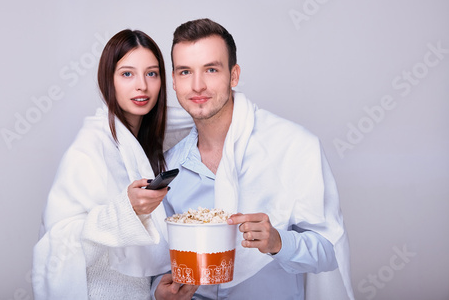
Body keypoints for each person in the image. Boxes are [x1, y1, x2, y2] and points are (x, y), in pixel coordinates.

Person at [151, 19, 355, 299]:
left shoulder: (294, 147)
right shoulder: (168, 168)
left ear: (234, 75)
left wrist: (277, 241)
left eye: (211, 69)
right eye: (186, 72)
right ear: (173, 81)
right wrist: (158, 293)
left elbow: (329, 251)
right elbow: (158, 261)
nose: (197, 86)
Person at [32, 29, 192, 300]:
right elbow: (57, 242)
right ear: (109, 80)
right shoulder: (90, 147)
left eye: (151, 73)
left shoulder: (140, 144)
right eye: (127, 74)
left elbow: (194, 119)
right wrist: (126, 209)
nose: (141, 85)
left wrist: (156, 295)